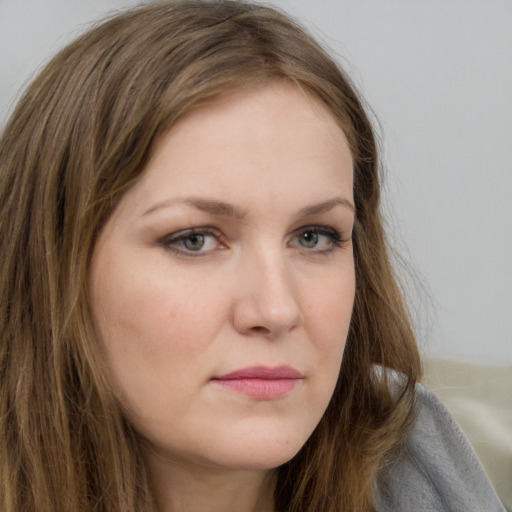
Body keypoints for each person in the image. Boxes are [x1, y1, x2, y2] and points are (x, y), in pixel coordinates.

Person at [0, 1, 504, 511]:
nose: (277, 309)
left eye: (314, 237)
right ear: (54, 266)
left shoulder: (412, 454)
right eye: (194, 239)